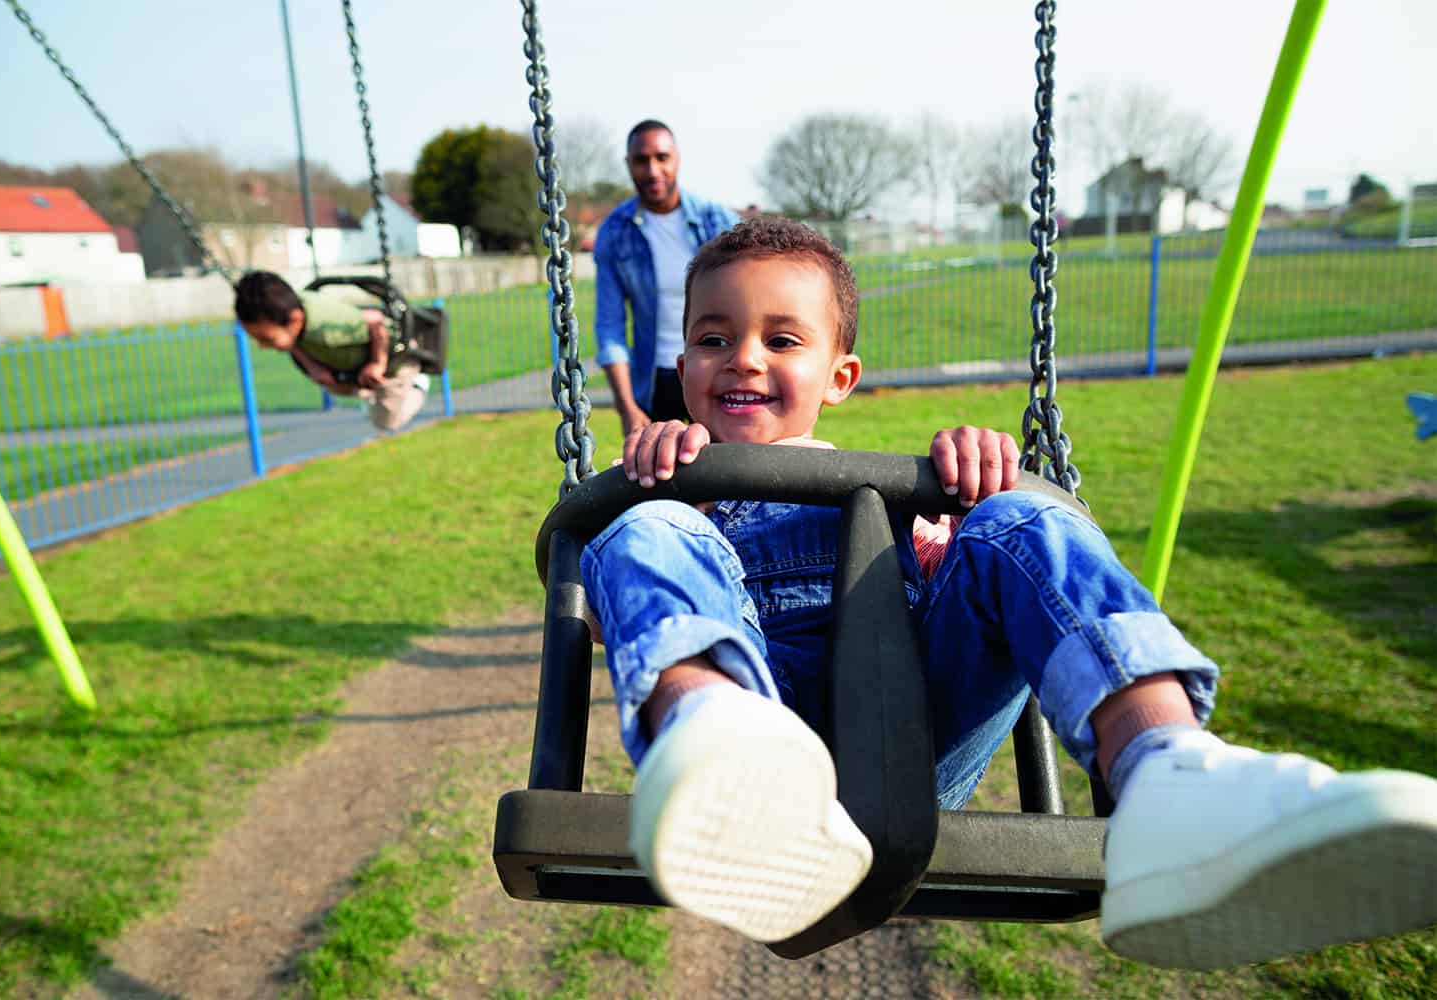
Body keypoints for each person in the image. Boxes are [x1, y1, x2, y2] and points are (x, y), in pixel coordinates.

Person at [579, 216, 1437, 969]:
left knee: (1019, 524)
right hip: (749, 744)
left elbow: (960, 588)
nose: (744, 360)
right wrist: (647, 495)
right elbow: (602, 623)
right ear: (682, 363)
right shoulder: (673, 489)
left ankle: (1169, 778)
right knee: (641, 531)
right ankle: (719, 753)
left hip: (903, 741)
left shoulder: (889, 496)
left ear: (841, 375)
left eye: (782, 340)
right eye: (714, 338)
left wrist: (971, 495)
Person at [593, 120, 739, 434]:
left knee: (726, 476)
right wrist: (626, 405)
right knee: (656, 476)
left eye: (662, 157)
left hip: (715, 367)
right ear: (628, 165)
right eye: (641, 160)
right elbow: (610, 326)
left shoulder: (716, 222)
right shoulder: (616, 232)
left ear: (677, 159)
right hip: (655, 379)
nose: (653, 170)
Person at [233, 270, 430, 432]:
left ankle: (419, 386)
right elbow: (294, 343)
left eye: (267, 339)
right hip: (353, 362)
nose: (262, 345)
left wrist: (376, 363)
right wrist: (314, 367)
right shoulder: (290, 310)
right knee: (335, 385)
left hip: (395, 360)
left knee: (387, 422)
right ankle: (369, 394)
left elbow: (376, 322)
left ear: (294, 320)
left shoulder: (329, 325)